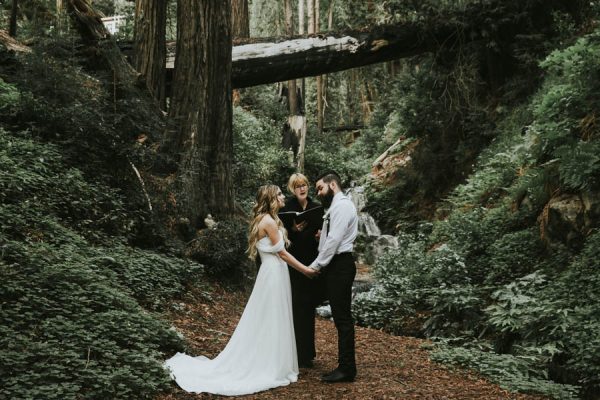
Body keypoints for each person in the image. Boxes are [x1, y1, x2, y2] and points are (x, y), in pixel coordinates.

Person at [164, 185, 318, 396]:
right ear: (272, 198)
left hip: (271, 272)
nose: (284, 197)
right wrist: (305, 270)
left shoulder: (266, 219)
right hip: (274, 273)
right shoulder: (269, 221)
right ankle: (269, 364)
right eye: (280, 194)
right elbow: (281, 253)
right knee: (272, 316)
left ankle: (269, 358)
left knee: (269, 316)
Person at [309, 171, 359, 383]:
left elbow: (335, 241)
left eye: (320, 188)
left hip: (340, 265)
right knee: (338, 316)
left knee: (342, 319)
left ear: (332, 185)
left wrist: (315, 265)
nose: (318, 193)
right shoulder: (335, 207)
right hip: (335, 265)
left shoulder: (342, 206)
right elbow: (332, 237)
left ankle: (347, 368)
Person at [279, 173, 324, 369]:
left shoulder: (316, 206)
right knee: (295, 307)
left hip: (312, 261)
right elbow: (280, 237)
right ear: (292, 189)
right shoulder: (286, 208)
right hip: (293, 262)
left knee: (308, 307)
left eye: (304, 185)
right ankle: (294, 353)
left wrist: (319, 237)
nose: (302, 189)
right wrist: (293, 231)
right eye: (297, 186)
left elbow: (322, 233)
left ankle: (307, 354)